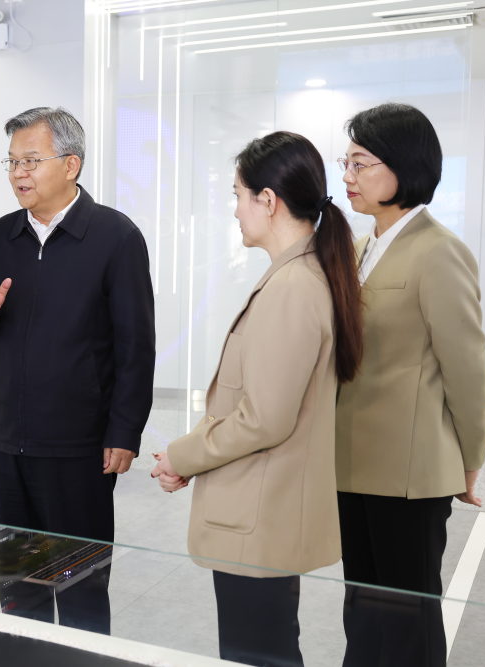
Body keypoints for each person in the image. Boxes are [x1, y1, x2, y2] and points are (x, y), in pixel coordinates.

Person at [151, 131, 363, 667]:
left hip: (259, 514)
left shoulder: (292, 287)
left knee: (258, 654)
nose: (236, 209)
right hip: (263, 510)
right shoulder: (302, 274)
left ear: (268, 200)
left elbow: (263, 419)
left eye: (239, 195)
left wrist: (181, 455)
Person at [0, 107, 155, 635]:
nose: (18, 173)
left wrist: (125, 431)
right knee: (19, 582)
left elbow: (136, 345)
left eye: (31, 160)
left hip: (78, 444)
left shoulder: (115, 237)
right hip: (6, 439)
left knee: (80, 583)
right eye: (12, 161)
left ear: (71, 165)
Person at [334, 103, 485, 667]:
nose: (348, 176)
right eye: (346, 163)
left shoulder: (439, 251)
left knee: (408, 622)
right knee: (363, 611)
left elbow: (466, 368)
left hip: (408, 472)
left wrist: (470, 458)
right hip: (352, 462)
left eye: (360, 163)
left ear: (402, 167)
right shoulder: (359, 249)